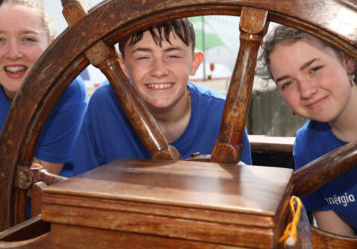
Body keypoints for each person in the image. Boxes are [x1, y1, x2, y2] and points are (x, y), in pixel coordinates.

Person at [74, 18, 252, 175]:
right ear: (123, 66)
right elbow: (80, 193)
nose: (158, 70)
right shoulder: (105, 104)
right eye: (143, 57)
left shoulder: (223, 115)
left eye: (173, 55)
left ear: (194, 62)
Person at [261, 24, 357, 236]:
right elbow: (338, 241)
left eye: (314, 69)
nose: (306, 91)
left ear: (347, 61)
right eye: (287, 83)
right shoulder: (307, 149)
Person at [0, 0, 88, 181]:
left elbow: (41, 177)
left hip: (48, 205)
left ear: (50, 46)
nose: (13, 53)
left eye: (29, 39)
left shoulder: (67, 89)